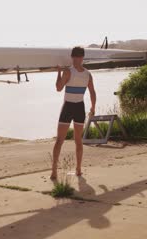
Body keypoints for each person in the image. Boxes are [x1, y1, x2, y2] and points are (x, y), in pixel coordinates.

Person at [51, 46, 96, 179]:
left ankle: (64, 170)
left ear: (79, 58)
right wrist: (93, 107)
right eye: (76, 57)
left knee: (67, 140)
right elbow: (92, 92)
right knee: (68, 140)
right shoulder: (87, 74)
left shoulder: (69, 72)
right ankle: (71, 170)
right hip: (77, 108)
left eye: (78, 57)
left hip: (71, 108)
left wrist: (58, 72)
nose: (77, 59)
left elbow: (58, 88)